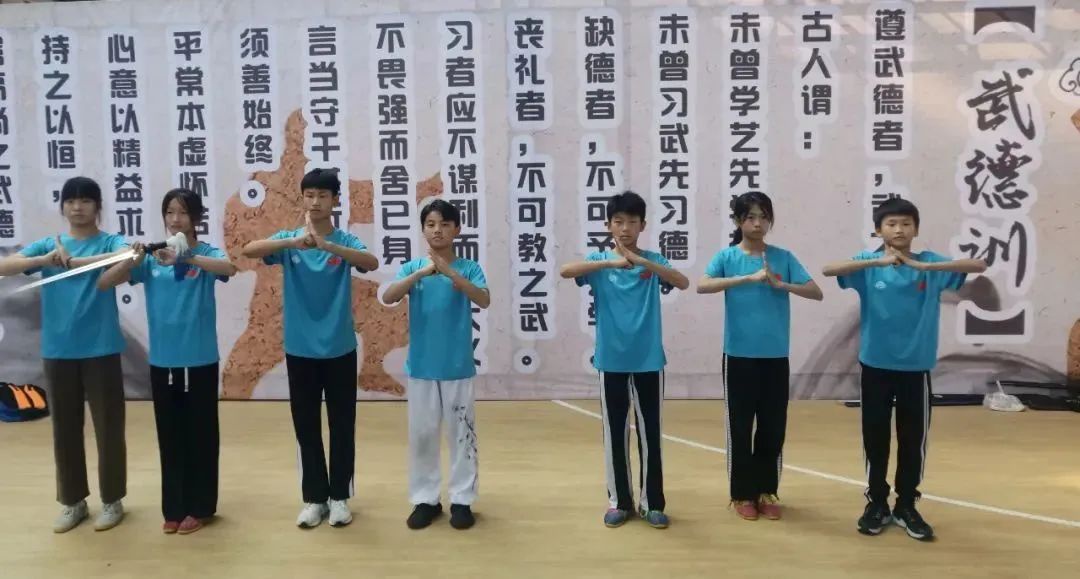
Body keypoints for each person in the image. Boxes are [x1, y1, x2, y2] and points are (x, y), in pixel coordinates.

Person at [822, 197, 987, 541]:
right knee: (875, 437)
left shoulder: (930, 263)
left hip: (916, 367)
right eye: (892, 224)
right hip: (875, 366)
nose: (899, 229)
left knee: (913, 440)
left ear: (916, 229)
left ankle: (907, 504)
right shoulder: (869, 264)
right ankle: (877, 502)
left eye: (906, 223)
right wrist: (877, 261)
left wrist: (922, 266)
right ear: (879, 229)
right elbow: (829, 269)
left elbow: (978, 265)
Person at [241, 168, 379, 529]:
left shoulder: (344, 240)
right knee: (306, 426)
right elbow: (249, 250)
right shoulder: (291, 240)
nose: (315, 202)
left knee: (341, 425)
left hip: (340, 349)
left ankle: (340, 497)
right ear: (302, 199)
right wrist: (291, 243)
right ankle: (314, 498)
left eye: (323, 195)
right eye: (309, 195)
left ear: (335, 201)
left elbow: (370, 263)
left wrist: (328, 246)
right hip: (300, 350)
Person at [98, 188, 237, 535]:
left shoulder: (205, 253)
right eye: (170, 212)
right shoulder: (152, 257)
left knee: (201, 435)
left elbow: (229, 268)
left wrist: (187, 258)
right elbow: (105, 283)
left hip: (200, 360)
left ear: (196, 218)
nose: (176, 219)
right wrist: (132, 259)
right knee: (170, 436)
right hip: (163, 361)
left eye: (183, 212)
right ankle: (174, 508)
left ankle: (201, 507)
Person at [0, 176, 131, 533]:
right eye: (71, 201)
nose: (77, 207)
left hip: (101, 347)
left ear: (98, 206)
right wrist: (45, 259)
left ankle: (112, 500)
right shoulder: (50, 244)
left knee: (109, 427)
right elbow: (5, 266)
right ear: (63, 207)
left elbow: (127, 256)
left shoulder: (110, 241)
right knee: (65, 429)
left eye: (85, 200)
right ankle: (73, 502)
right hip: (58, 350)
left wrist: (83, 261)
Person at [558, 190, 689, 529]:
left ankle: (652, 503)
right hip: (611, 360)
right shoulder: (599, 262)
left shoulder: (653, 261)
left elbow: (682, 281)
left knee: (650, 433)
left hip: (649, 361)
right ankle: (619, 501)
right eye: (619, 221)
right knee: (614, 433)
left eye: (632, 221)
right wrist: (610, 262)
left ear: (643, 225)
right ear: (608, 225)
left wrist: (644, 263)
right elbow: (566, 271)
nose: (626, 228)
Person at [697, 192, 823, 521]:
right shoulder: (727, 256)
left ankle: (767, 490)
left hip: (775, 356)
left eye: (763, 217)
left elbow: (816, 292)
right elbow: (702, 285)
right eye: (750, 217)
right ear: (738, 221)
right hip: (738, 356)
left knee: (772, 426)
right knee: (740, 427)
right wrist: (747, 279)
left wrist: (783, 286)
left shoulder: (783, 257)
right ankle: (741, 494)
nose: (757, 223)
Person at [383, 198, 489, 531]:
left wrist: (449, 273)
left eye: (444, 224)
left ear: (457, 229)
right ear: (423, 230)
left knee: (462, 436)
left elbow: (483, 298)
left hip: (457, 367)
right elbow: (388, 297)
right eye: (431, 225)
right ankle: (425, 499)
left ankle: (462, 500)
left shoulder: (468, 268)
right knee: (423, 435)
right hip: (421, 368)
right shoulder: (413, 268)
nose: (437, 230)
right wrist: (420, 273)